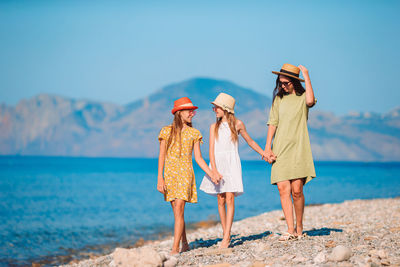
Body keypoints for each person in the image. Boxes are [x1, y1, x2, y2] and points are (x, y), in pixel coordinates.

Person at [200, 93, 268, 248]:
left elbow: (250, 141)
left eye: (216, 107)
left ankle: (226, 237)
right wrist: (214, 171)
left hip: (231, 164)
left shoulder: (238, 124)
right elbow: (211, 150)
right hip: (217, 164)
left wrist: (263, 153)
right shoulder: (213, 127)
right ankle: (226, 233)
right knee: (220, 199)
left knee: (230, 197)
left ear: (225, 109)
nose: (214, 109)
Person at [157, 97, 220, 254]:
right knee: (177, 212)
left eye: (193, 111)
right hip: (169, 174)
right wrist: (160, 178)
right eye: (189, 111)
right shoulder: (166, 131)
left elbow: (198, 158)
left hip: (185, 173)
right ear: (179, 113)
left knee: (179, 207)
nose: (193, 113)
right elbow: (161, 156)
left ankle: (174, 248)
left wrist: (211, 172)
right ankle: (184, 243)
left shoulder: (194, 133)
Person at [264, 63, 317, 241]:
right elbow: (273, 123)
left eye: (286, 83)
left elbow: (311, 100)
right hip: (280, 148)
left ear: (295, 81)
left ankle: (299, 227)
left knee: (297, 190)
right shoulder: (279, 100)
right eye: (280, 83)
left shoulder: (302, 98)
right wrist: (267, 147)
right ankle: (290, 229)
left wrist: (306, 75)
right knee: (282, 189)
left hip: (299, 149)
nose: (283, 86)